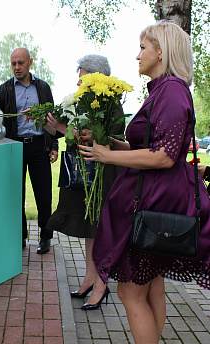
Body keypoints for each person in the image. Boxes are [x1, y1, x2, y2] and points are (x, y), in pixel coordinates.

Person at [78, 20, 210, 343]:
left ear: (161, 52)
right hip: (159, 197)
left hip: (158, 201)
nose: (137, 56)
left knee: (129, 293)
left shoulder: (172, 92)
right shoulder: (165, 91)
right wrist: (108, 144)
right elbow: (150, 149)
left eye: (142, 48)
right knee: (151, 288)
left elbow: (164, 156)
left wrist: (108, 157)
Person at [41, 54, 124, 309]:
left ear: (97, 77)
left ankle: (101, 283)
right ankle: (90, 277)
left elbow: (110, 138)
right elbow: (75, 135)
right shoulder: (83, 103)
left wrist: (70, 131)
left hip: (103, 173)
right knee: (89, 227)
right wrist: (55, 127)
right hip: (85, 172)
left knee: (99, 228)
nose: (78, 84)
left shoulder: (111, 102)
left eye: (82, 78)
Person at [0, 47, 58, 253]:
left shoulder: (43, 88)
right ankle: (19, 237)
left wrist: (54, 146)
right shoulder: (3, 90)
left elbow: (52, 120)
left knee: (43, 195)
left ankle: (45, 238)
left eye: (21, 63)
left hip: (39, 146)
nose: (17, 67)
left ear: (30, 62)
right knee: (16, 196)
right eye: (13, 64)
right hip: (15, 148)